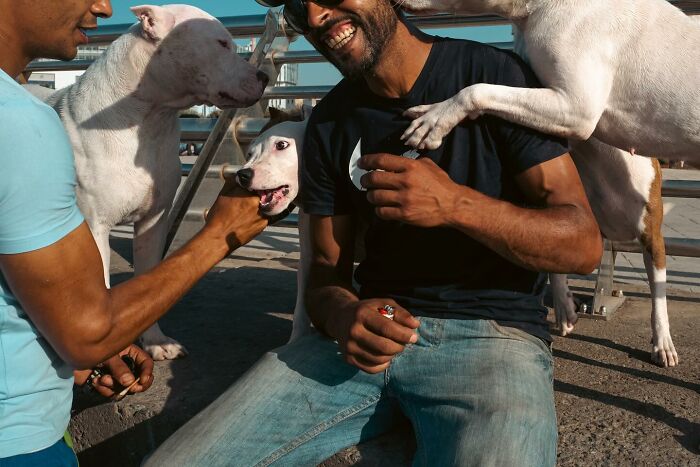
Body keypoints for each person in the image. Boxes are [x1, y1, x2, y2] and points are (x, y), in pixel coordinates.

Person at [144, 0, 602, 465]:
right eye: (300, 9)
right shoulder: (330, 120)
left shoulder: (491, 74)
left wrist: (455, 205)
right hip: (365, 334)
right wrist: (345, 316)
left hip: (495, 340)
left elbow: (583, 245)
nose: (317, 17)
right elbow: (326, 272)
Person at [0, 0, 269, 464]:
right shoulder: (24, 125)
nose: (105, 6)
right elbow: (87, 330)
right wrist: (219, 234)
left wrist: (92, 356)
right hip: (19, 435)